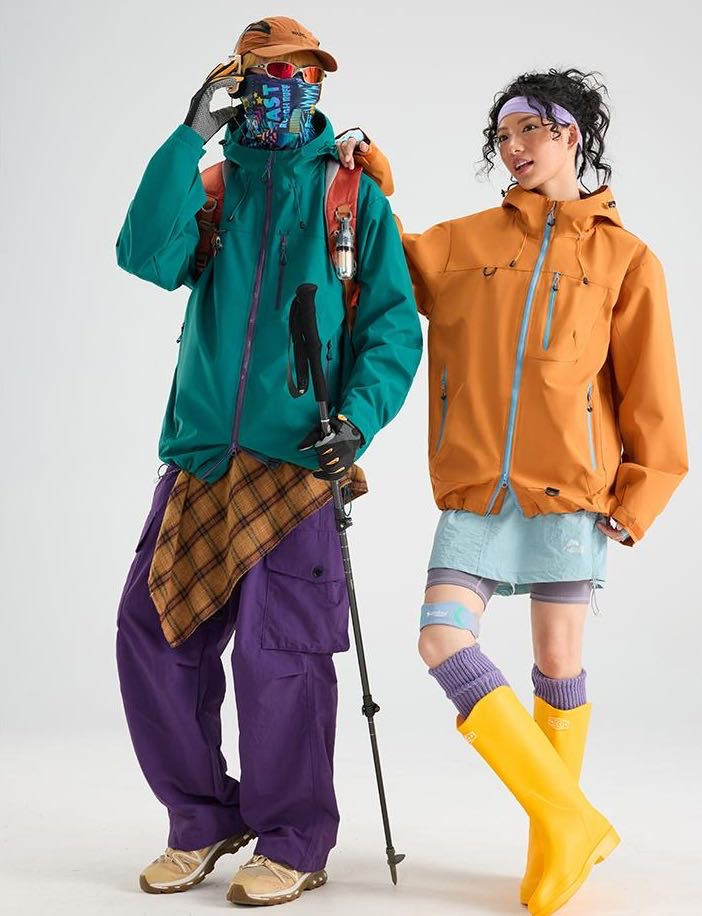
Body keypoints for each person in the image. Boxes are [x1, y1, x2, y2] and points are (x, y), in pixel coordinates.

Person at [337, 68, 688, 915]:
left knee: (559, 665)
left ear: (571, 134)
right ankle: (573, 820)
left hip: (570, 492)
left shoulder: (627, 259)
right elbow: (389, 265)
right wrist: (372, 182)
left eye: (530, 129)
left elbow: (653, 393)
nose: (514, 147)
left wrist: (638, 498)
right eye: (502, 136)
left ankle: (554, 850)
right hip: (475, 489)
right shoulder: (468, 241)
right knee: (440, 640)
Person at [114, 15, 421, 906]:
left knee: (279, 654)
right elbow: (143, 256)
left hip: (297, 460)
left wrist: (356, 422)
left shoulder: (350, 196)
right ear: (235, 84)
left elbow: (392, 327)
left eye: (302, 74)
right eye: (267, 74)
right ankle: (202, 819)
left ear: (320, 85)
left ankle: (293, 839)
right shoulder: (213, 186)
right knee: (152, 632)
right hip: (204, 456)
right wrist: (189, 137)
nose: (286, 89)